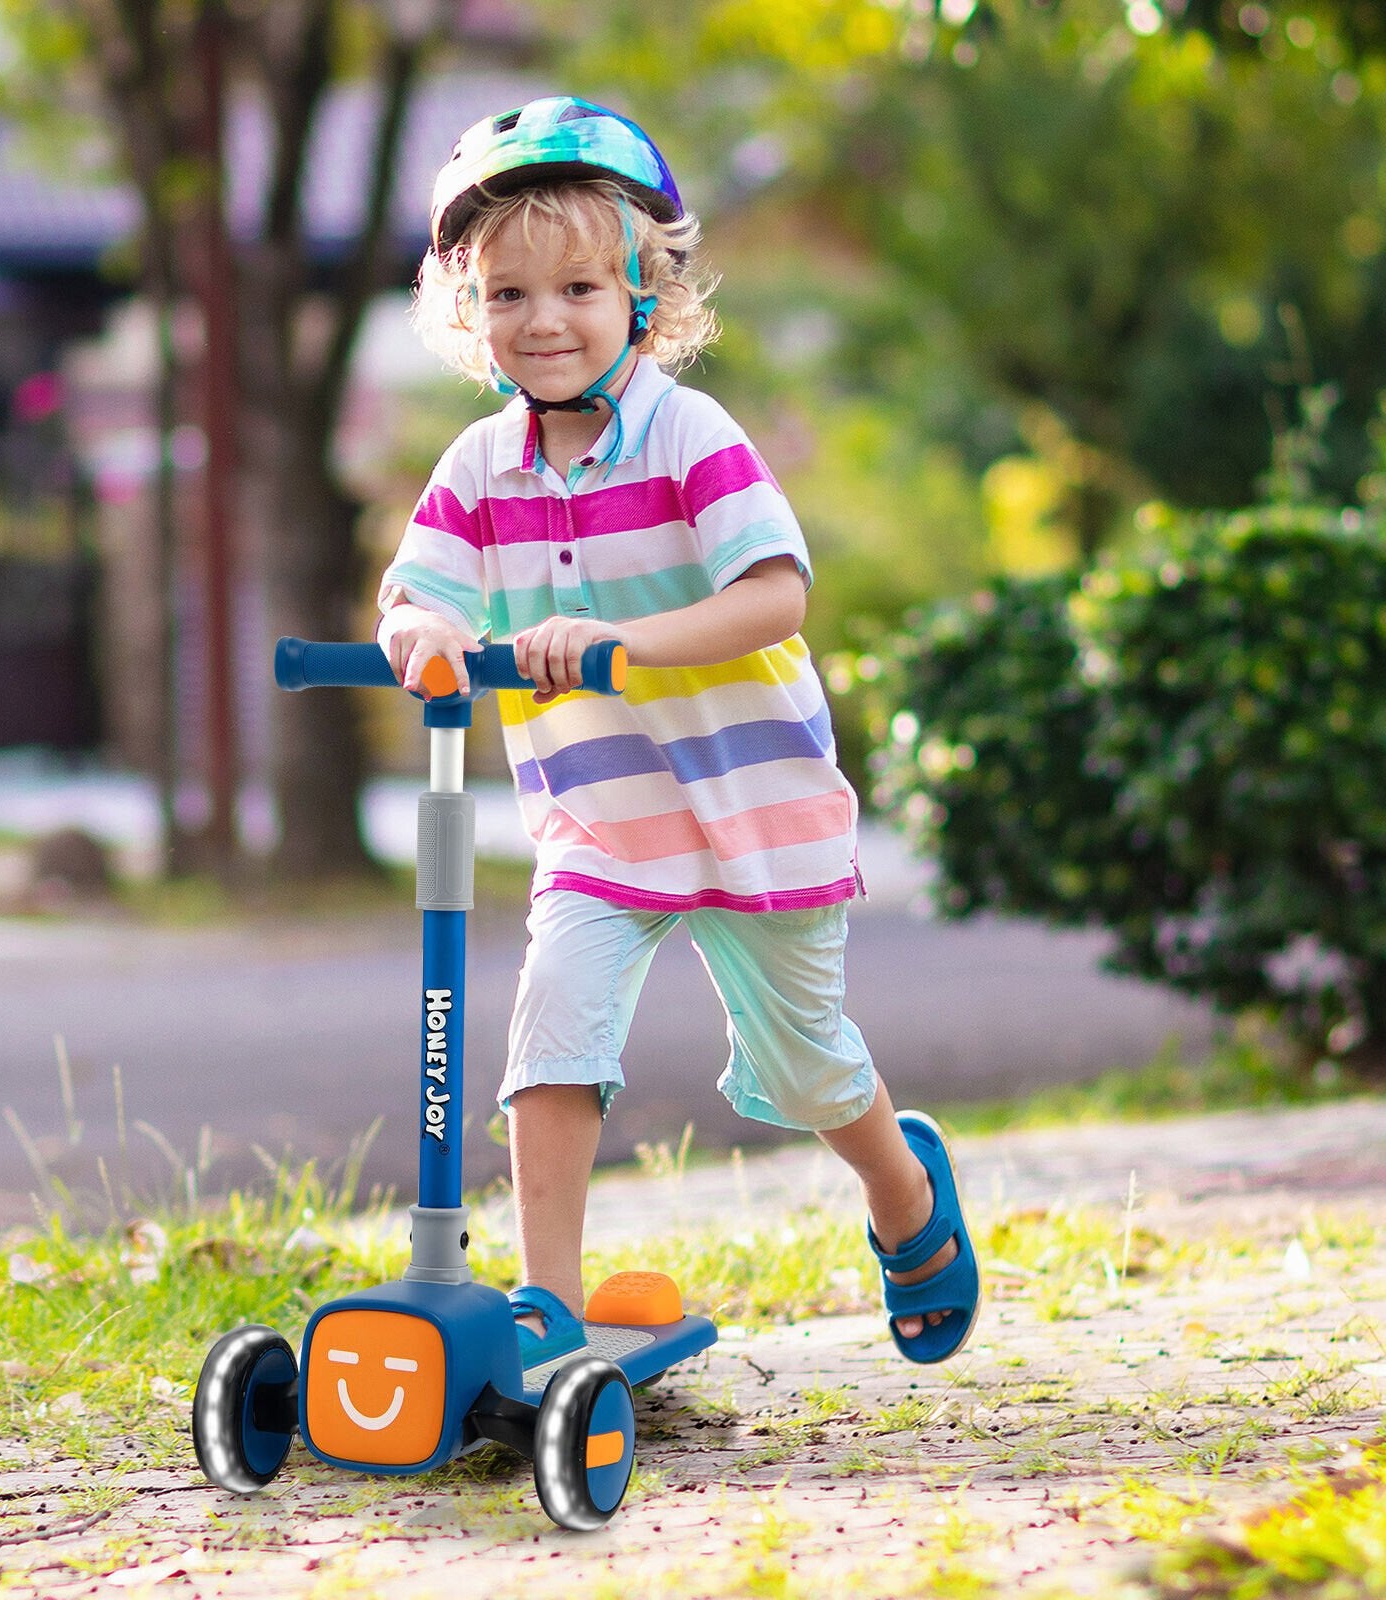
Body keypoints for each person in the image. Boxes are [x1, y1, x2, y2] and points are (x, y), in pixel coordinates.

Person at [377, 97, 979, 1366]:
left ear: (644, 295)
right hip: (601, 821)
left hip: (748, 805)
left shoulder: (690, 435)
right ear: (467, 312)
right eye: (507, 294)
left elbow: (775, 592)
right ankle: (549, 1304)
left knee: (809, 1068)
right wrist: (421, 636)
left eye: (580, 286)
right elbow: (418, 589)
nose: (543, 321)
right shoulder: (480, 467)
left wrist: (619, 640)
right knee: (554, 1031)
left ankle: (901, 1191)